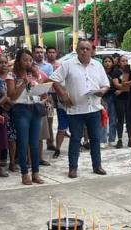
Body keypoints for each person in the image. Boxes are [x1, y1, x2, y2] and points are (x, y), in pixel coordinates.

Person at [49, 40, 110, 178]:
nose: (84, 51)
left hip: (94, 108)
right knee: (75, 139)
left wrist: (102, 91)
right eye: (81, 48)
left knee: (95, 138)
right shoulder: (68, 65)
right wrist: (63, 94)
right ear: (76, 50)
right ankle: (73, 168)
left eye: (87, 49)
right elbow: (53, 79)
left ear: (91, 51)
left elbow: (106, 84)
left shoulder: (98, 65)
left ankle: (97, 165)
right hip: (75, 110)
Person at [7, 49, 45, 184]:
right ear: (18, 61)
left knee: (34, 143)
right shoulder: (12, 75)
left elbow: (40, 93)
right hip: (21, 109)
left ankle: (36, 172)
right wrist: (24, 83)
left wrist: (42, 92)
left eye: (30, 60)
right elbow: (11, 96)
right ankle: (24, 173)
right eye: (25, 60)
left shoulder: (35, 74)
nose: (28, 63)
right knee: (23, 143)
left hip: (35, 108)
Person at [0, 54, 18, 171]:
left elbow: (14, 94)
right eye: (0, 62)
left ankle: (12, 162)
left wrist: (9, 101)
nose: (3, 65)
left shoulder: (11, 76)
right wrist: (6, 99)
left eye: (5, 62)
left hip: (10, 110)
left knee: (11, 137)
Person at [112, 56, 131, 148]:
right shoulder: (116, 72)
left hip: (129, 98)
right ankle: (119, 140)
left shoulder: (130, 71)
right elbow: (116, 84)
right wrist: (124, 88)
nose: (125, 62)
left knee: (129, 119)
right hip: (119, 99)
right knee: (120, 120)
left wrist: (122, 90)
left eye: (126, 61)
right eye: (123, 61)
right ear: (119, 62)